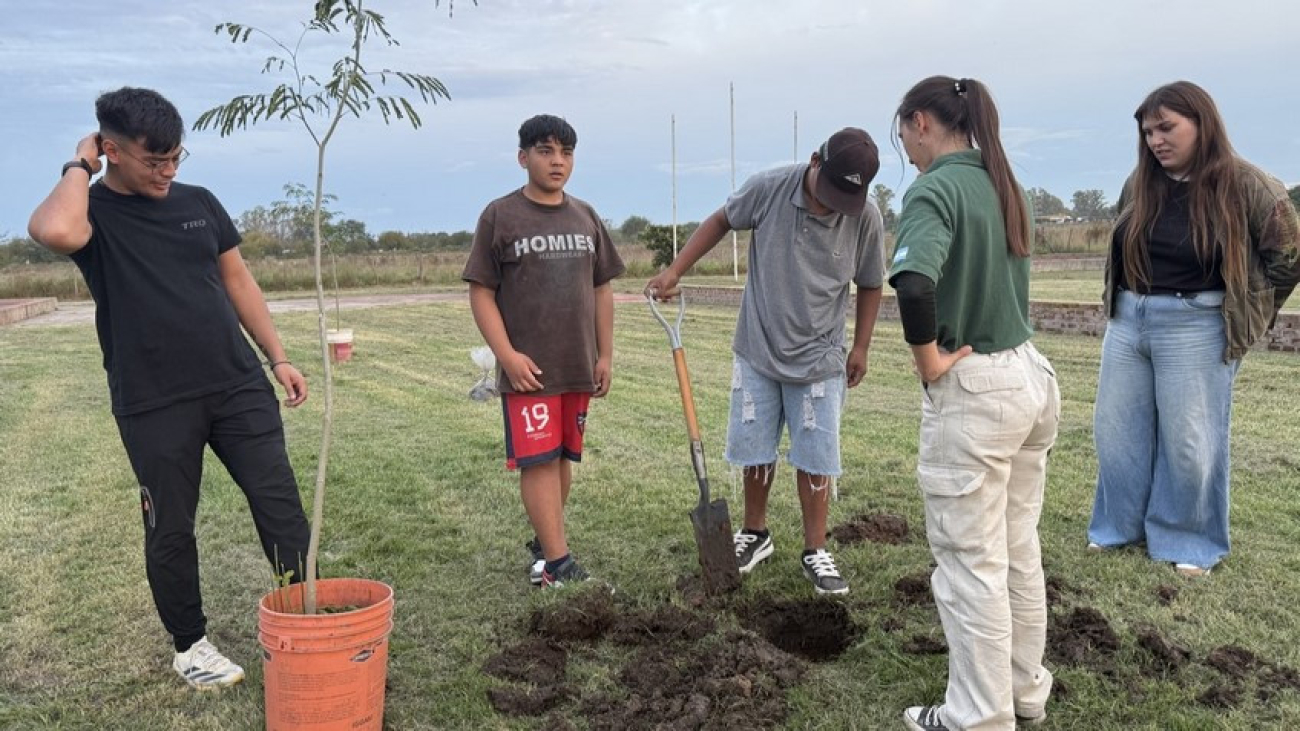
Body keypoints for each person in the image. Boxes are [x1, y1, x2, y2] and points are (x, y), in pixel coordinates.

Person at [27, 87, 312, 690]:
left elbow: (239, 284)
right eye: (154, 161)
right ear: (111, 151)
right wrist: (79, 165)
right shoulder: (92, 214)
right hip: (155, 401)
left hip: (237, 384)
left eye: (177, 157)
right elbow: (52, 230)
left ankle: (306, 613)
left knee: (280, 505)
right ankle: (191, 646)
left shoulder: (198, 203)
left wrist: (277, 357)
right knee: (172, 526)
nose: (169, 171)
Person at [645, 127, 886, 596]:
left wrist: (861, 346)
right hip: (758, 346)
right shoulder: (769, 187)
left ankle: (815, 549)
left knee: (816, 455)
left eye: (846, 198)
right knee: (755, 447)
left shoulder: (865, 217)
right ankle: (755, 534)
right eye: (830, 192)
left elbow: (872, 281)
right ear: (815, 161)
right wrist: (675, 270)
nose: (832, 206)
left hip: (820, 355)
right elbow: (721, 220)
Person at [889, 76, 1058, 731]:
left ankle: (978, 716)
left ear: (922, 121)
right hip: (1029, 378)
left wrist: (927, 358)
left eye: (903, 131)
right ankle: (1024, 692)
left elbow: (914, 280)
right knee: (1018, 550)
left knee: (970, 565)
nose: (903, 147)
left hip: (977, 388)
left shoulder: (934, 188)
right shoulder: (1002, 181)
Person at [1087, 81, 1300, 578]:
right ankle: (1119, 528)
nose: (1156, 139)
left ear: (1202, 123)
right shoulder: (1139, 184)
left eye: (1167, 127)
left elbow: (1288, 262)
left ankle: (1189, 540)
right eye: (1148, 131)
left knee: (1190, 441)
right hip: (1129, 319)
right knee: (1116, 435)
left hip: (1196, 324)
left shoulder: (1251, 185)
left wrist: (1247, 314)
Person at [463, 114, 624, 589]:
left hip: (576, 363)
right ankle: (557, 563)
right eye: (546, 151)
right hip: (528, 369)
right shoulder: (501, 215)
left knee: (560, 458)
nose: (557, 162)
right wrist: (507, 356)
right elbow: (480, 291)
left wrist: (606, 354)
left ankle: (544, 543)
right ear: (523, 157)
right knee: (536, 460)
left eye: (566, 152)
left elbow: (602, 290)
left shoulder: (586, 216)